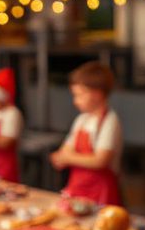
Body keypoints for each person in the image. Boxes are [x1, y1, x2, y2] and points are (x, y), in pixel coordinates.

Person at [49, 61, 123, 205]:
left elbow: (100, 160)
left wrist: (68, 158)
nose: (75, 101)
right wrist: (60, 157)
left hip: (100, 193)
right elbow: (67, 148)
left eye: (79, 95)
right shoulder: (82, 120)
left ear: (97, 94)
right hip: (77, 188)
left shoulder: (109, 121)